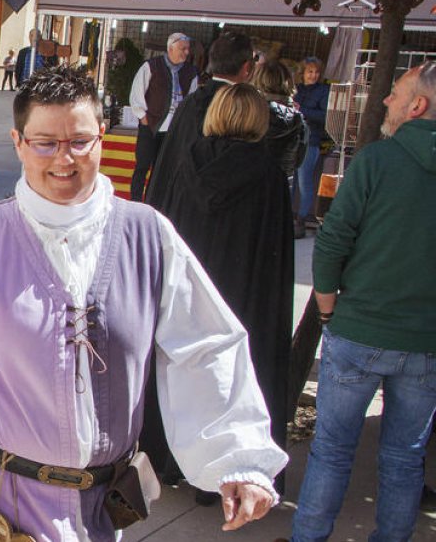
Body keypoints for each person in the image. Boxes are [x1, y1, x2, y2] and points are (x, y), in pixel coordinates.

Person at [0, 66, 286, 541]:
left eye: (79, 141)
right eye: (45, 143)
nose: (64, 158)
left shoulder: (148, 235)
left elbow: (206, 346)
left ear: (101, 136)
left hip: (101, 507)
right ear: (19, 143)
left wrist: (238, 457)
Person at [289, 62, 436, 542]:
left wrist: (328, 308)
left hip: (360, 330)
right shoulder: (379, 159)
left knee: (333, 450)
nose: (386, 100)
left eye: (395, 93)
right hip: (424, 340)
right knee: (404, 457)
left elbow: (332, 242)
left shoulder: (377, 160)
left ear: (418, 105)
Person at [153, 83, 294, 493]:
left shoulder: (185, 163)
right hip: (244, 293)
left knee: (183, 374)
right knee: (236, 380)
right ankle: (233, 466)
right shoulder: (268, 175)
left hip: (191, 292)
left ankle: (172, 461)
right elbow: (276, 252)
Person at [144, 30, 254, 210]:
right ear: (247, 68)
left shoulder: (190, 101)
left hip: (171, 204)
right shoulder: (237, 108)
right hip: (205, 210)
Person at [128, 33, 200, 203]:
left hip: (173, 131)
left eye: (187, 49)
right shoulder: (151, 66)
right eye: (183, 48)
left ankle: (154, 203)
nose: (186, 52)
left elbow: (192, 100)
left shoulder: (191, 72)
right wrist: (143, 118)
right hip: (151, 126)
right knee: (142, 166)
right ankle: (136, 202)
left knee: (161, 170)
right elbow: (137, 93)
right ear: (170, 48)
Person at [249, 60, 307, 188]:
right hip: (280, 187)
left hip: (248, 185)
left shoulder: (249, 111)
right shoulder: (298, 119)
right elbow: (298, 160)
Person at [294, 56, 330, 232]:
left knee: (304, 181)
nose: (313, 75)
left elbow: (324, 116)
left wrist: (301, 109)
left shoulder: (323, 91)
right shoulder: (297, 89)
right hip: (294, 138)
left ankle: (301, 220)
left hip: (311, 140)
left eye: (316, 72)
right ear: (303, 73)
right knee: (293, 181)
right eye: (310, 71)